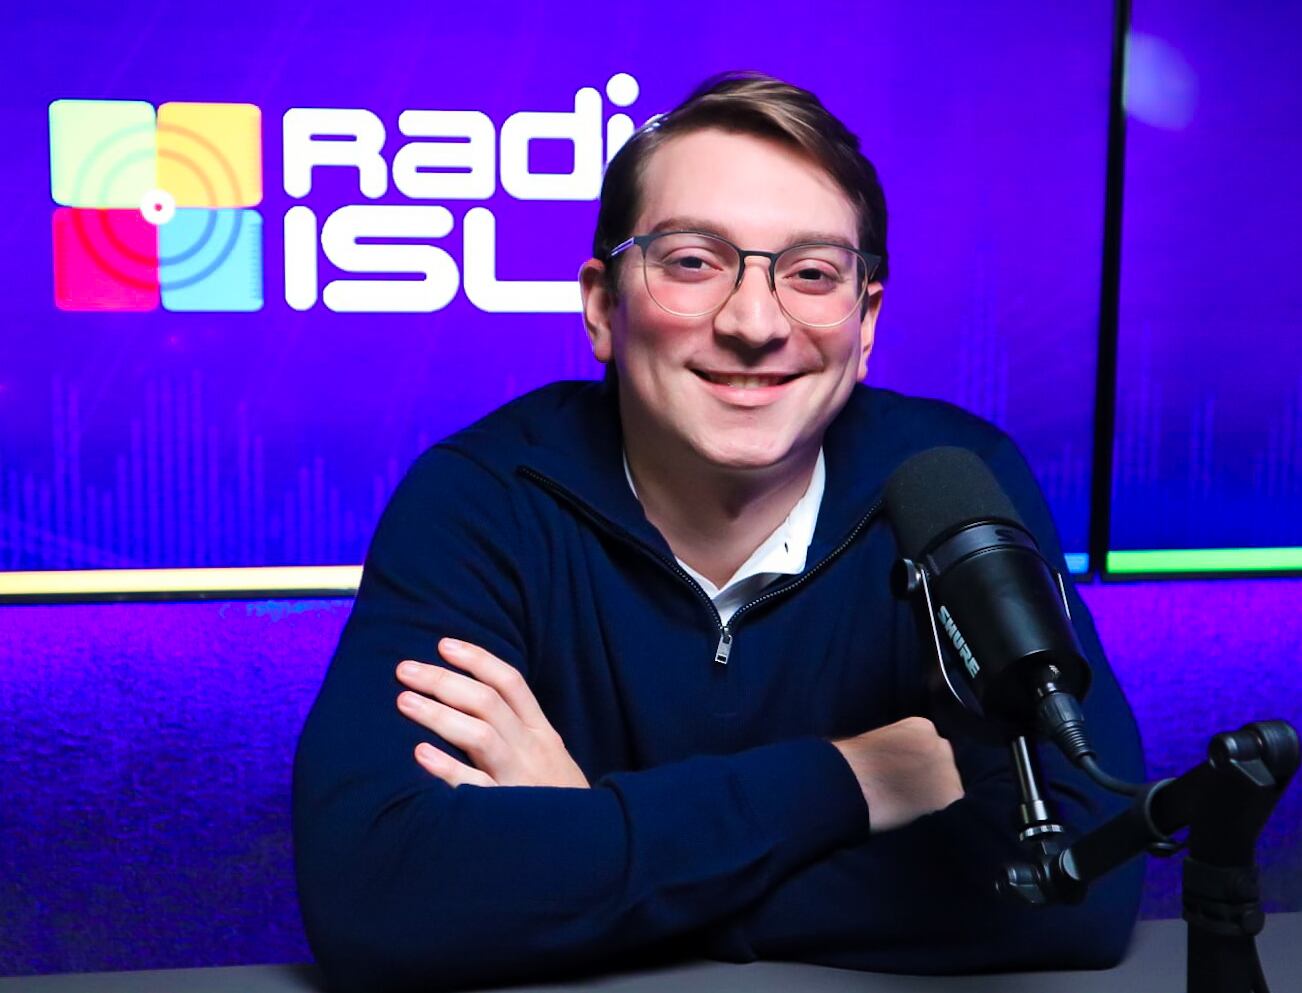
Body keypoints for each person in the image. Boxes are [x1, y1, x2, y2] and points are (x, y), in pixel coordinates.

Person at [293, 72, 1144, 993]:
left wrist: (592, 856)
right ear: (601, 307)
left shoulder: (954, 484)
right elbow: (374, 892)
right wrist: (853, 778)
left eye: (812, 273)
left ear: (865, 323)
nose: (753, 323)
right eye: (694, 262)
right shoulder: (483, 499)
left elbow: (1083, 876)